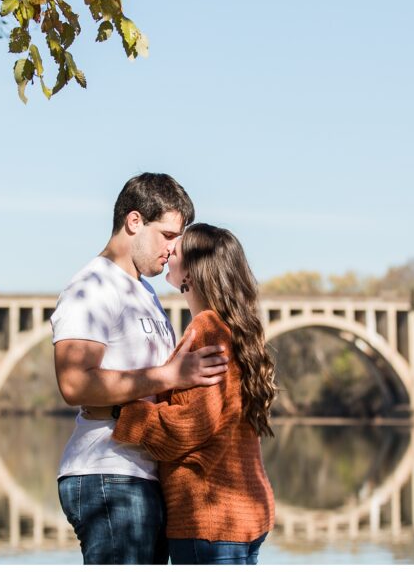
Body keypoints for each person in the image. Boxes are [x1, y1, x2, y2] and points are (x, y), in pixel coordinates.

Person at [52, 173, 231, 565]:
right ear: (134, 222)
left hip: (141, 476)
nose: (174, 248)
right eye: (167, 235)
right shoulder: (93, 286)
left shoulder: (144, 292)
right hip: (107, 474)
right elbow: (74, 382)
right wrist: (169, 376)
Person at [85, 223, 277, 564]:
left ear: (193, 269)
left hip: (209, 516)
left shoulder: (207, 329)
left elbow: (191, 425)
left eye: (180, 246)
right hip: (246, 515)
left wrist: (121, 412)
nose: (170, 249)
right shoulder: (235, 332)